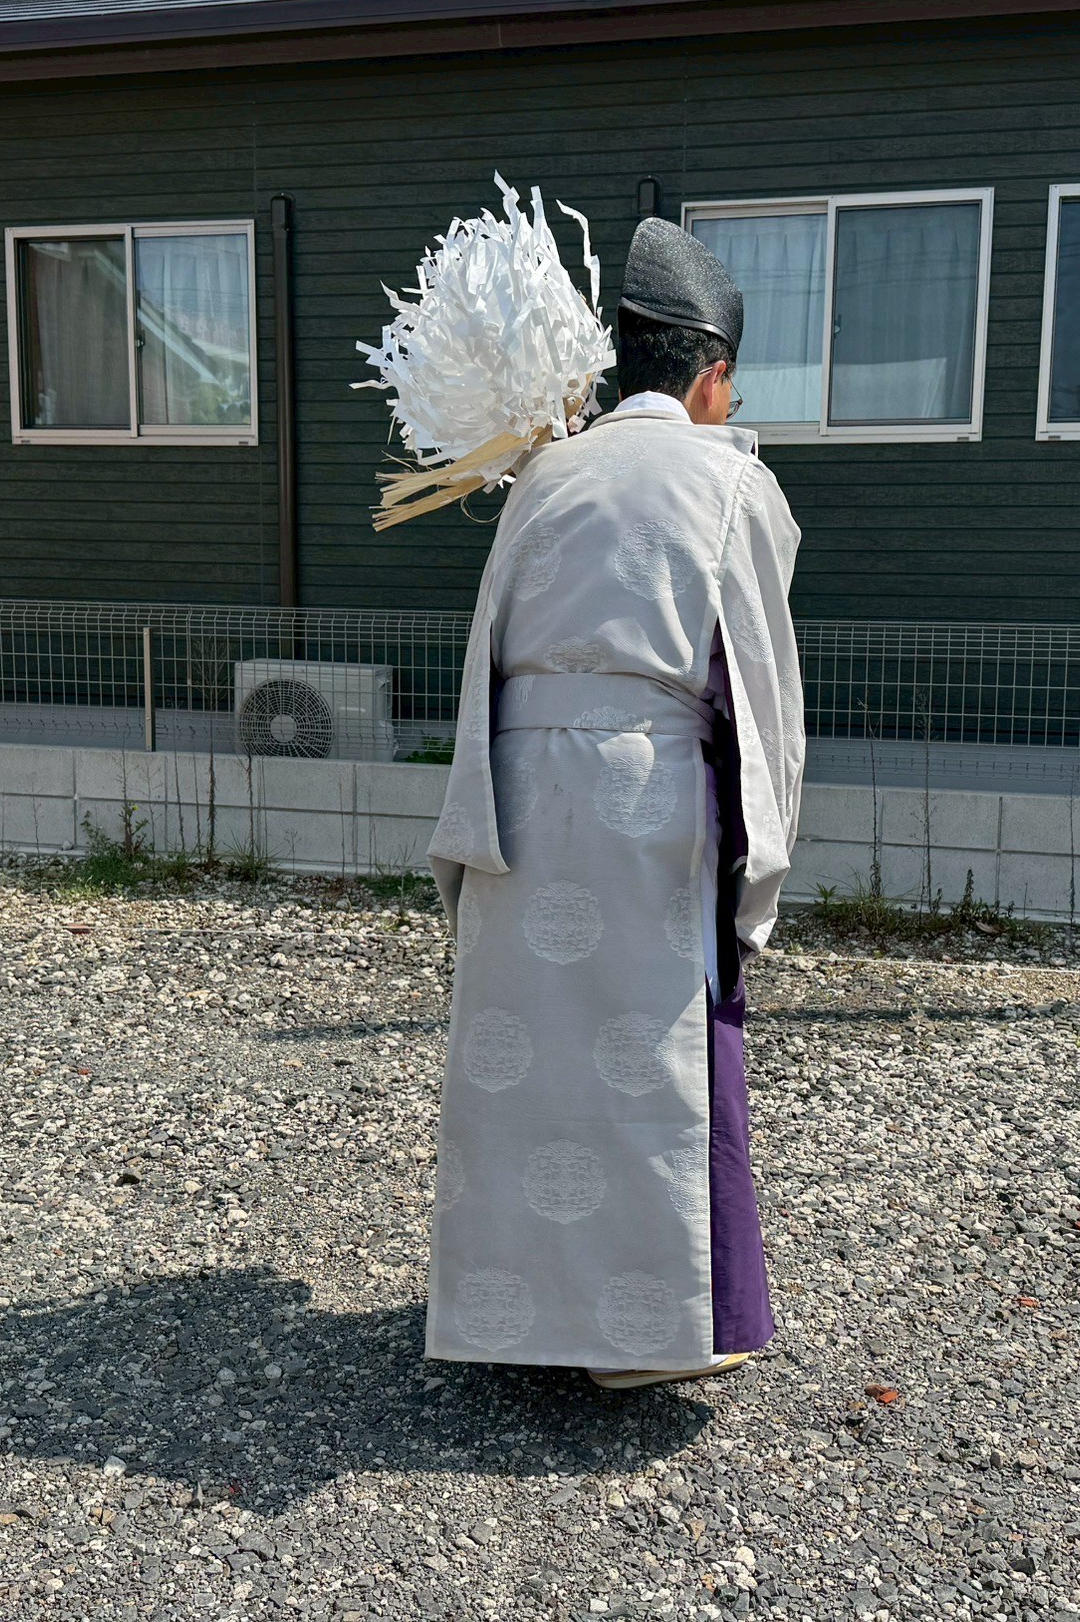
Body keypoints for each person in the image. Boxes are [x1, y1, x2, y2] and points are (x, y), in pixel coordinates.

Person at [423, 218, 806, 1387]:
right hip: (648, 787)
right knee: (656, 1055)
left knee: (528, 1056)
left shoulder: (542, 474)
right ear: (711, 377)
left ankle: (517, 1315)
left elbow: (484, 648)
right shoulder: (732, 478)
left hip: (523, 785)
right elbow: (756, 675)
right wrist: (757, 858)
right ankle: (653, 1337)